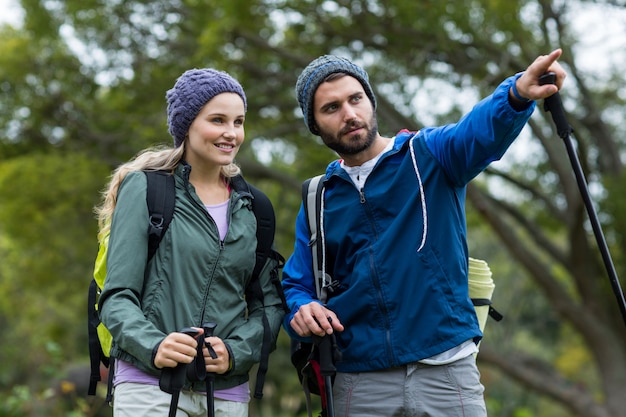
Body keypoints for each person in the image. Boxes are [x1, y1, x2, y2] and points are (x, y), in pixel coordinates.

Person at [282, 50, 566, 416]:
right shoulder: (316, 197)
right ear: (315, 125)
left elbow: (478, 131)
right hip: (359, 379)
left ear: (371, 100)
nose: (349, 114)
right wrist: (302, 306)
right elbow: (297, 283)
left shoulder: (429, 154)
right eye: (331, 108)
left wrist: (516, 94)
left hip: (447, 370)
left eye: (356, 99)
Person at [97, 68, 285, 417]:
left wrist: (236, 352)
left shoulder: (254, 208)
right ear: (187, 125)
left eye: (238, 121)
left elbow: (270, 306)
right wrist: (154, 345)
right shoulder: (146, 189)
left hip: (227, 393)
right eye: (217, 120)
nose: (231, 133)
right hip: (149, 385)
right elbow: (116, 297)